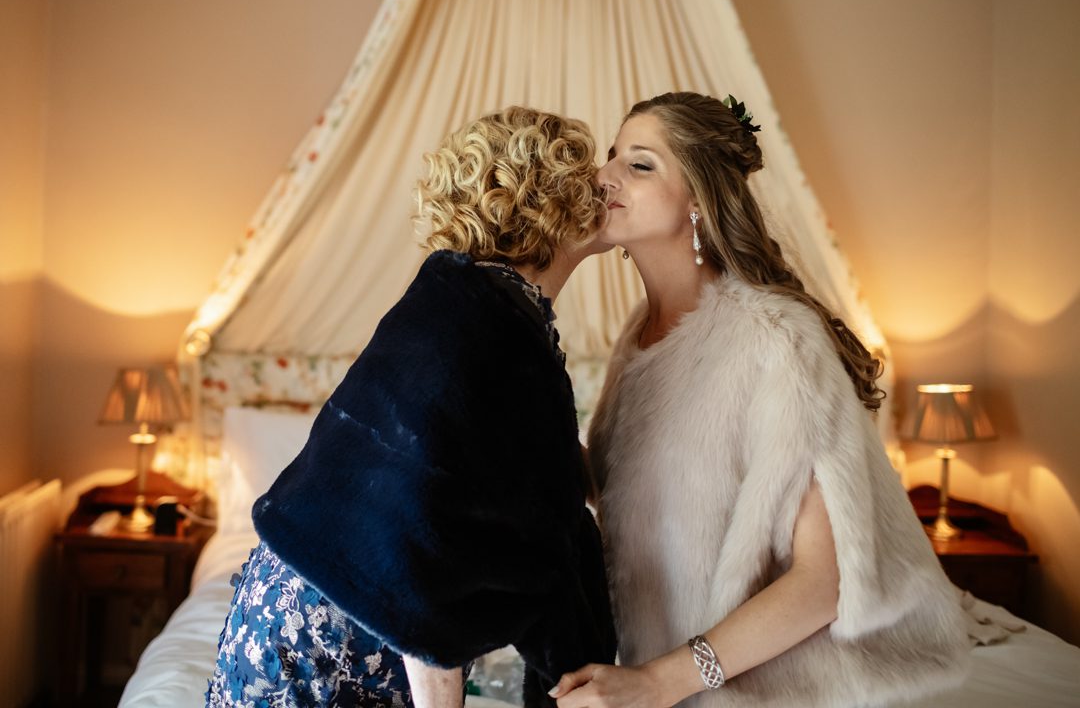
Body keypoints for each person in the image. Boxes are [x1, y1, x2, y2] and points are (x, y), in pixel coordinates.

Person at [550, 92, 969, 708]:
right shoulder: (637, 340)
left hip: (782, 694)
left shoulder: (776, 338)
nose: (602, 175)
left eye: (639, 164)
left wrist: (661, 681)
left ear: (698, 198)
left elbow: (823, 581)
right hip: (670, 685)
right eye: (611, 156)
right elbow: (631, 493)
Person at [206, 106, 616, 708]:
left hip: (305, 604)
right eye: (587, 178)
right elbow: (412, 532)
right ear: (549, 205)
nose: (605, 189)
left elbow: (525, 467)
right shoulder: (479, 323)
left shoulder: (476, 305)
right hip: (330, 632)